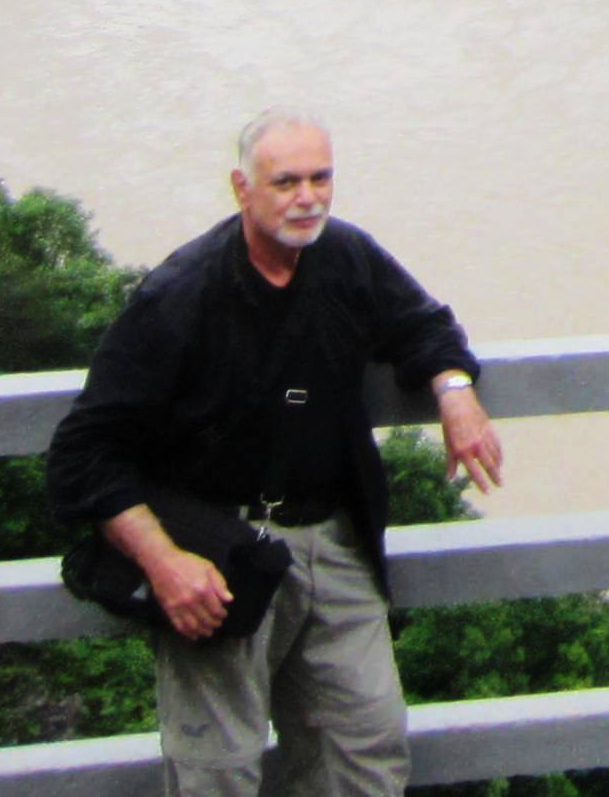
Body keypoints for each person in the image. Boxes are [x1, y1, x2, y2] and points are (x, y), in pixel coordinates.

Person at [45, 111, 503, 795]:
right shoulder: (181, 295)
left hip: (334, 543)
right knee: (219, 772)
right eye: (285, 181)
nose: (307, 197)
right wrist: (164, 562)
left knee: (366, 749)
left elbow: (424, 325)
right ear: (242, 188)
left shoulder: (346, 258)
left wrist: (455, 391)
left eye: (321, 178)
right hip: (219, 561)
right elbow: (83, 455)